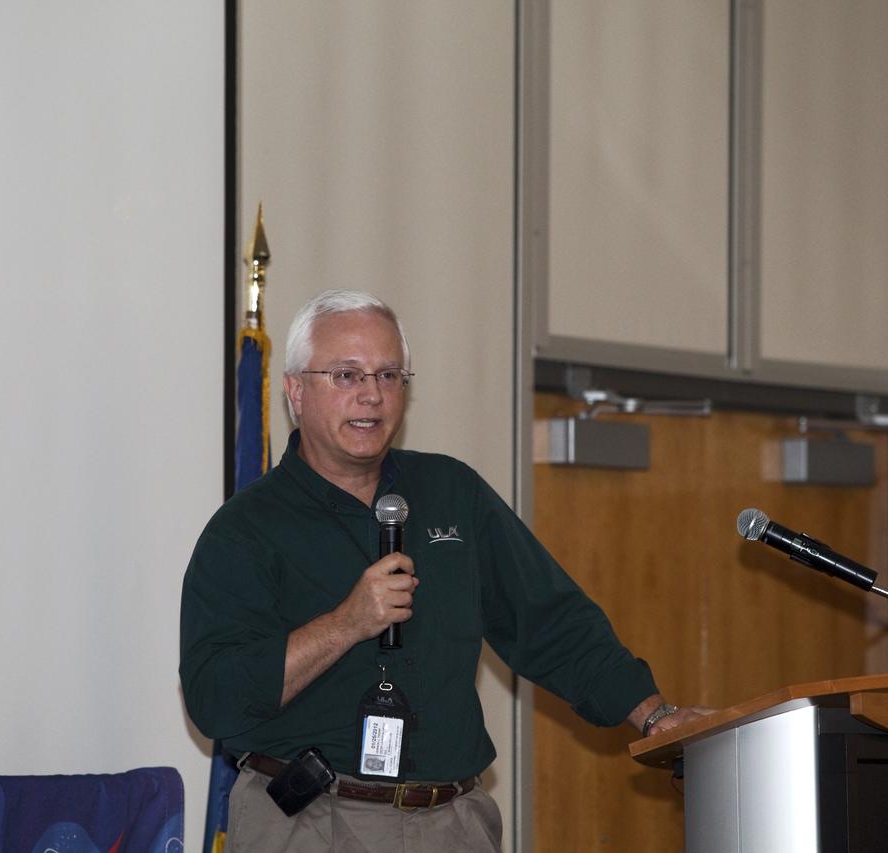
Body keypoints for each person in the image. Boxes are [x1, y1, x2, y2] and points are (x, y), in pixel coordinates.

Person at [179, 290, 706, 853]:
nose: (372, 395)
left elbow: (551, 624)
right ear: (295, 392)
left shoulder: (452, 494)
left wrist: (655, 716)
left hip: (451, 823)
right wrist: (346, 624)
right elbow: (215, 698)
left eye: (388, 375)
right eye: (346, 375)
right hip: (312, 825)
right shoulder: (245, 530)